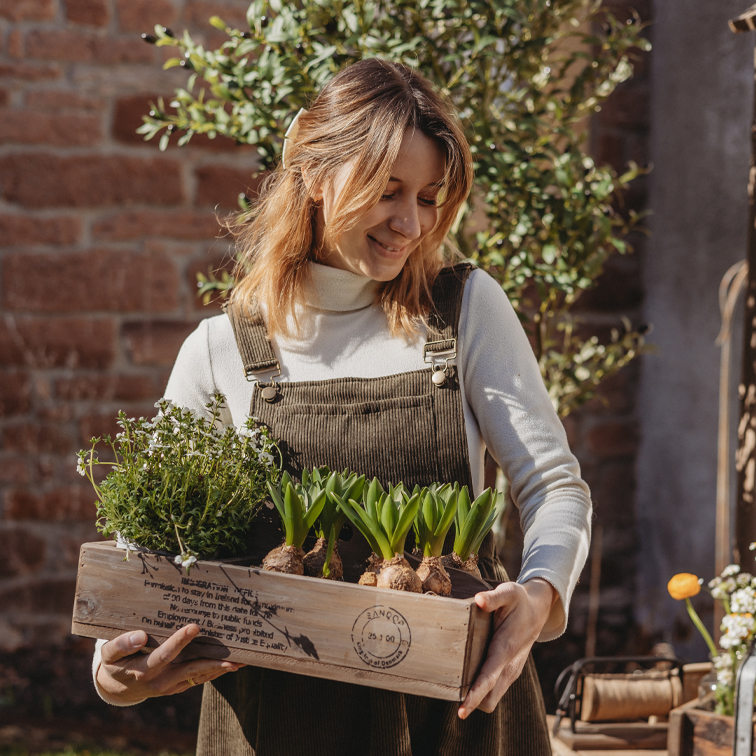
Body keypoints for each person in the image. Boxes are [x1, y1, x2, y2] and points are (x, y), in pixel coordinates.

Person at [92, 58, 591, 755]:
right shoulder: (221, 351)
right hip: (277, 720)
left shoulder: (463, 312)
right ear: (318, 176)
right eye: (390, 191)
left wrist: (539, 596)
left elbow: (553, 485)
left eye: (429, 196)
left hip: (453, 713)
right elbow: (142, 558)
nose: (411, 223)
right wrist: (116, 674)